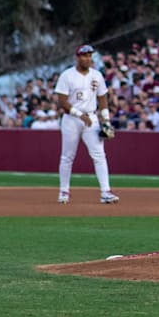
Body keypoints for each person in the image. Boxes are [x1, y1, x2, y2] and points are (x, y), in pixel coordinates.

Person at [54, 45, 119, 205]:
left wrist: (106, 120)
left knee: (99, 155)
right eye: (84, 56)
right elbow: (62, 102)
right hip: (72, 119)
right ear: (77, 57)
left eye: (90, 55)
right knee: (67, 156)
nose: (88, 58)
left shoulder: (97, 75)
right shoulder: (67, 75)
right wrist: (79, 114)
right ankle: (64, 191)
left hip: (91, 117)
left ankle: (105, 192)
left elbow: (102, 98)